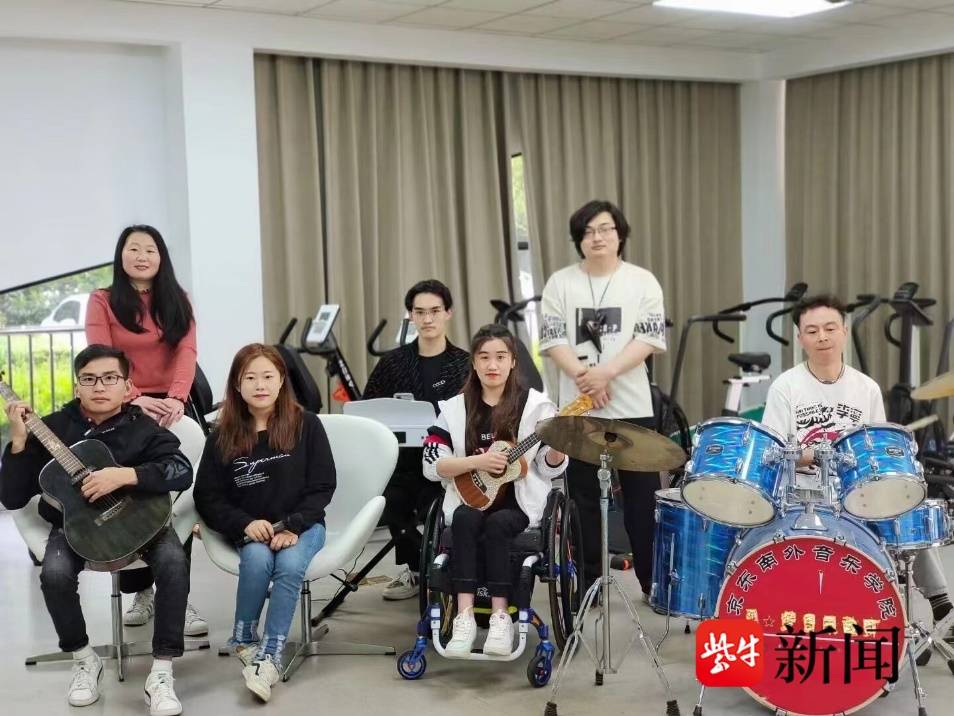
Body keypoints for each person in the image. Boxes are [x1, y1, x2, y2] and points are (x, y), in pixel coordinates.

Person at [0, 345, 192, 715]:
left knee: (173, 562)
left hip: (143, 521)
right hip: (76, 529)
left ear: (127, 386)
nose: (99, 386)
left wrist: (126, 475)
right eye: (89, 379)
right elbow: (11, 498)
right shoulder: (53, 428)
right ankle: (84, 659)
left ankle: (162, 670)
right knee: (54, 574)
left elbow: (181, 470)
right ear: (77, 387)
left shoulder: (142, 426)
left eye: (109, 378)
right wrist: (19, 440)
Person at [762, 294, 953, 635]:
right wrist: (817, 454)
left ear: (844, 331)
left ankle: (942, 606)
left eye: (830, 328)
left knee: (908, 504)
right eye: (812, 331)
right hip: (804, 492)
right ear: (800, 338)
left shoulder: (866, 388)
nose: (822, 337)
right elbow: (774, 451)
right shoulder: (785, 387)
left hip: (855, 487)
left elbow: (875, 449)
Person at [538, 199, 667, 601]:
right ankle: (589, 583)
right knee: (583, 500)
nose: (597, 237)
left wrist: (605, 374)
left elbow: (648, 339)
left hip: (632, 407)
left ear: (620, 234)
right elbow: (553, 340)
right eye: (589, 231)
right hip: (579, 409)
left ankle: (651, 582)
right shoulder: (560, 283)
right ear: (579, 239)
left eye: (605, 229)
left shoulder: (642, 281)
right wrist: (586, 379)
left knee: (642, 501)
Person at [194, 344, 336, 702]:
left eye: (268, 376)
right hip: (252, 529)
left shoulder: (307, 424)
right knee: (257, 559)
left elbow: (323, 486)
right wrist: (244, 523)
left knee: (289, 565)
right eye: (250, 378)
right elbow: (207, 497)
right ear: (237, 385)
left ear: (282, 380)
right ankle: (243, 637)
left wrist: (293, 525)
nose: (260, 385)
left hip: (304, 526)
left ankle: (270, 654)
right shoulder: (221, 435)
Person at [85, 224, 207, 636]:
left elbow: (187, 351)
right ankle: (142, 592)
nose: (141, 256)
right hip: (123, 405)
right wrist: (133, 396)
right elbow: (101, 355)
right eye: (133, 248)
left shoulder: (178, 299)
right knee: (133, 499)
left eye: (150, 249)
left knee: (177, 501)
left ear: (161, 257)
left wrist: (175, 397)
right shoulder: (103, 301)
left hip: (172, 406)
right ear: (121, 256)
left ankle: (178, 597)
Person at [422, 324, 567, 656]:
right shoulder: (453, 409)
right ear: (473, 363)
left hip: (518, 503)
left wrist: (559, 448)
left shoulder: (537, 407)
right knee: (463, 519)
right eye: (484, 357)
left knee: (500, 524)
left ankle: (501, 618)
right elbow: (432, 465)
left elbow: (548, 467)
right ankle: (464, 617)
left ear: (513, 362)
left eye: (501, 357)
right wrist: (478, 462)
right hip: (471, 497)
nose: (492, 365)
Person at [363, 279, 471, 601]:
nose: (427, 319)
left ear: (448, 312)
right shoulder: (393, 364)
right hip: (401, 462)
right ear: (410, 315)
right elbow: (368, 408)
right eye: (420, 312)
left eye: (434, 311)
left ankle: (442, 566)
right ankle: (415, 568)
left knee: (435, 509)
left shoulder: (464, 364)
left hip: (448, 462)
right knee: (389, 500)